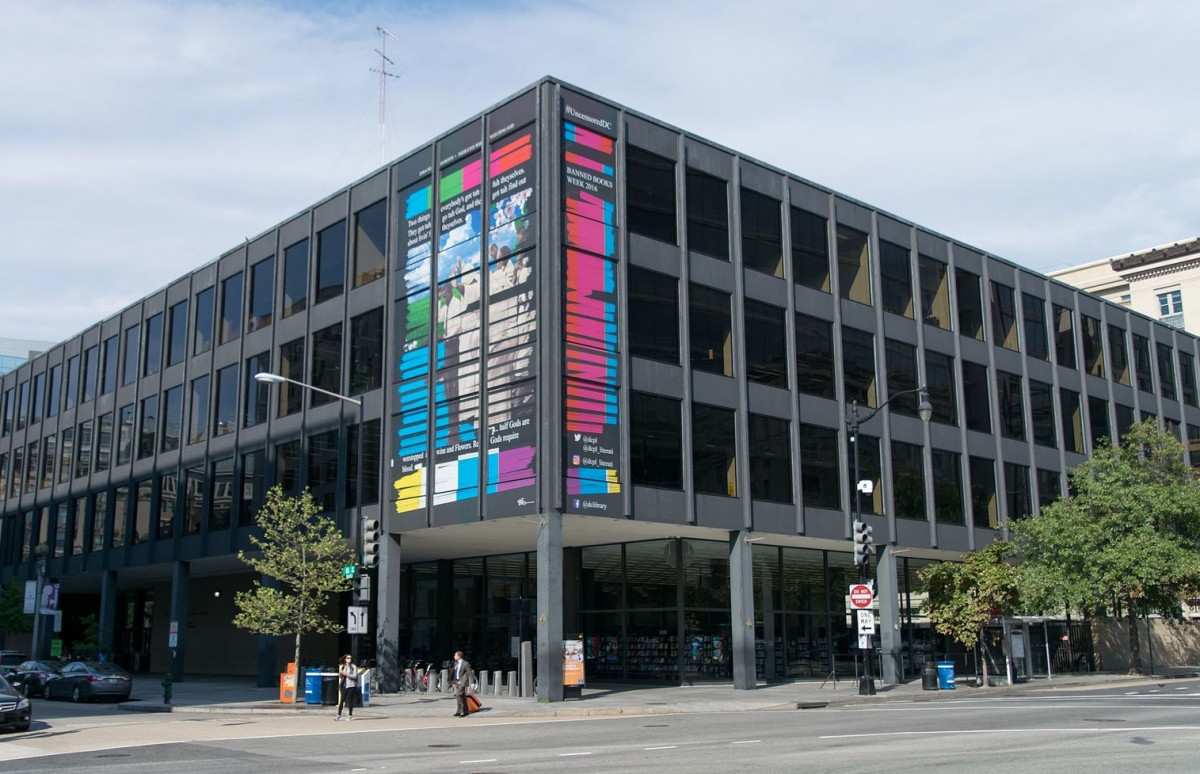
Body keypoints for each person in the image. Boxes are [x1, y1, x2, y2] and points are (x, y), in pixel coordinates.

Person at [451, 650, 474, 717]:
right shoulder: (456, 663)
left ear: (459, 656)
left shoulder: (465, 663)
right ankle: (466, 710)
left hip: (462, 681)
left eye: (455, 655)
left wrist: (472, 683)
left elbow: (470, 673)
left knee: (458, 695)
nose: (454, 656)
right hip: (457, 681)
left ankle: (459, 711)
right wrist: (454, 682)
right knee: (462, 696)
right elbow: (455, 673)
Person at [336, 654, 360, 721]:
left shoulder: (353, 667)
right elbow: (341, 677)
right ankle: (339, 714)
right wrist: (341, 674)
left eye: (350, 658)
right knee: (342, 700)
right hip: (344, 685)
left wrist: (347, 674)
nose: (349, 659)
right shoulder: (343, 666)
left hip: (351, 685)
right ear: (345, 659)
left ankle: (350, 715)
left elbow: (354, 676)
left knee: (349, 700)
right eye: (348, 658)